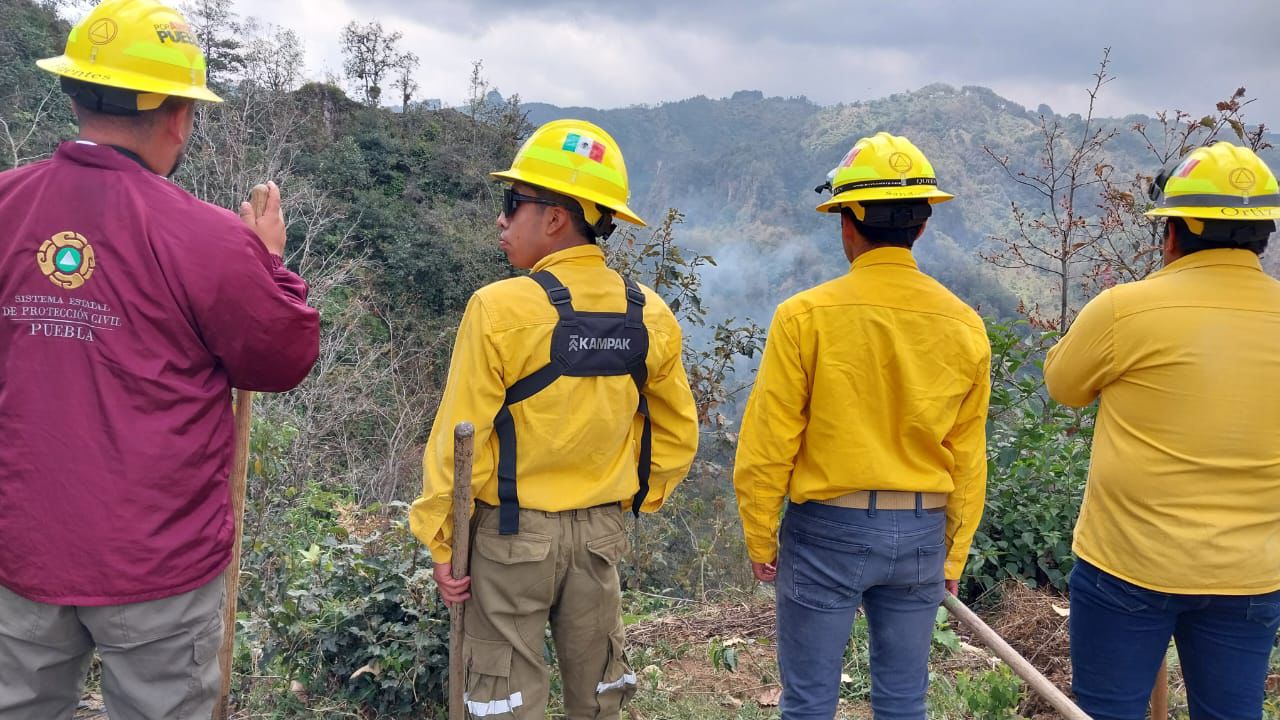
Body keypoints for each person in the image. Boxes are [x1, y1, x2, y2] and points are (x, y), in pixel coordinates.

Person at [0, 0, 320, 716]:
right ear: (177, 116)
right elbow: (281, 355)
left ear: (75, 94)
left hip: (20, 547)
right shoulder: (206, 240)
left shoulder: (6, 207)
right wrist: (268, 264)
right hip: (158, 563)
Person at [410, 119, 698, 720]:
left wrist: (442, 538)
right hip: (600, 537)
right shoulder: (651, 314)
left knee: (504, 699)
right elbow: (675, 436)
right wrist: (628, 503)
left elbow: (460, 436)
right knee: (599, 697)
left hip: (511, 537)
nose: (501, 218)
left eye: (512, 203)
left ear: (556, 218)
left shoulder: (499, 308)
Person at [732, 132, 991, 720]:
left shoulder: (804, 316)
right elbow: (968, 456)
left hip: (826, 532)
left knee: (809, 701)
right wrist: (952, 555)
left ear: (846, 222)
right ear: (921, 227)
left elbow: (768, 443)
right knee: (903, 701)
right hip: (923, 531)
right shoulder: (965, 325)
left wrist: (760, 538)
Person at [1045, 141, 1280, 720]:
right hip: (1249, 572)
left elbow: (1064, 387)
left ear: (1171, 234)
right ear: (1263, 236)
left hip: (1128, 563)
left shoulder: (1125, 310)